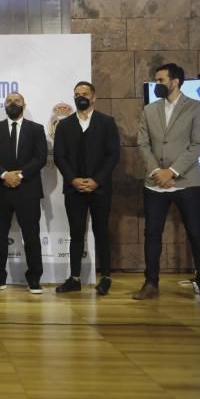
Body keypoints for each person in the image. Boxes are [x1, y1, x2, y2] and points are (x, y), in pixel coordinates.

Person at [134, 63, 200, 307]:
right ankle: (151, 284)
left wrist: (173, 171)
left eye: (160, 80)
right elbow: (143, 143)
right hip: (154, 182)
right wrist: (157, 171)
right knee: (152, 235)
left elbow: (197, 145)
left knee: (195, 234)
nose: (157, 84)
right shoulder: (150, 110)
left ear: (175, 81)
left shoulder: (196, 108)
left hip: (186, 182)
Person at [53, 81, 120, 295]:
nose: (80, 97)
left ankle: (105, 277)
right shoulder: (64, 125)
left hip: (99, 188)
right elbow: (59, 156)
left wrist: (97, 180)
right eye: (76, 94)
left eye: (84, 94)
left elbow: (113, 155)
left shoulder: (107, 123)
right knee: (76, 233)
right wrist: (73, 179)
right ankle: (74, 277)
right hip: (74, 189)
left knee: (101, 232)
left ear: (93, 98)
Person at [0, 92, 47, 294]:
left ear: (24, 104)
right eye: (8, 101)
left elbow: (41, 158)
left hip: (27, 190)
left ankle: (35, 279)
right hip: (0, 191)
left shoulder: (36, 129)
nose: (12, 104)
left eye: (16, 101)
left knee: (32, 236)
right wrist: (4, 174)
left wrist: (19, 176)